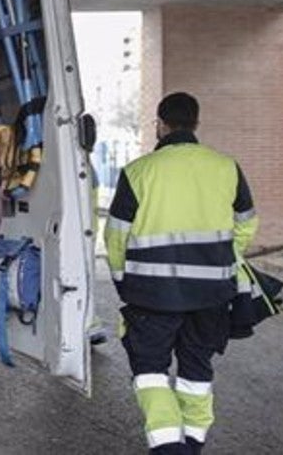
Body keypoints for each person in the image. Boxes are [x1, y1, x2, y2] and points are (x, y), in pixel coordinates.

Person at [105, 92, 258, 454]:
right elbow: (246, 224)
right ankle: (192, 441)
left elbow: (115, 236)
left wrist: (122, 280)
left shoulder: (139, 171)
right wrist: (223, 262)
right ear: (195, 124)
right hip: (212, 296)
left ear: (160, 124)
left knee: (150, 369)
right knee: (196, 370)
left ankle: (169, 446)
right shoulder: (226, 167)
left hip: (151, 296)